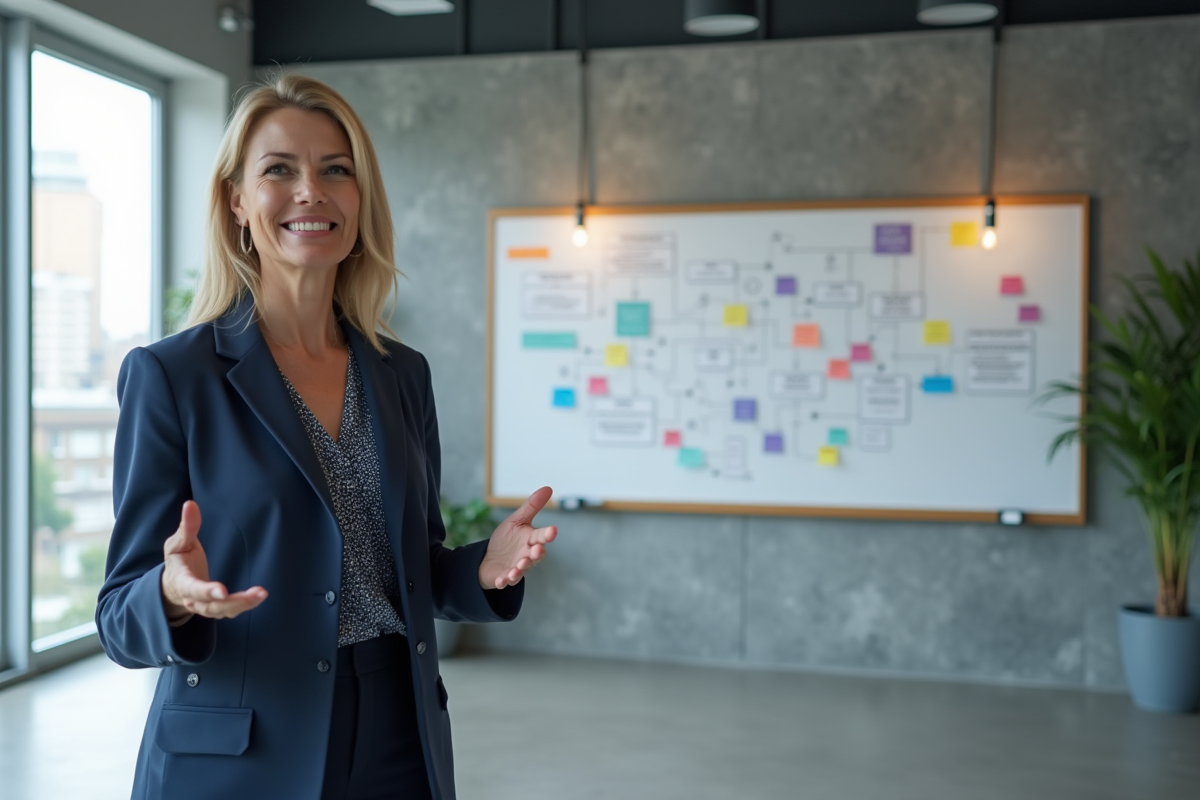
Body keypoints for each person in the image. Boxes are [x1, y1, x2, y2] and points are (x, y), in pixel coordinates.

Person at [95, 73, 557, 800]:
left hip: (399, 734)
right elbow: (120, 614)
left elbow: (411, 570)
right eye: (279, 170)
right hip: (242, 749)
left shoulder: (402, 373)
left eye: (335, 170)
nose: (311, 190)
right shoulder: (172, 376)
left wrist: (482, 569)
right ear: (237, 202)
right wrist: (172, 593)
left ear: (359, 200)